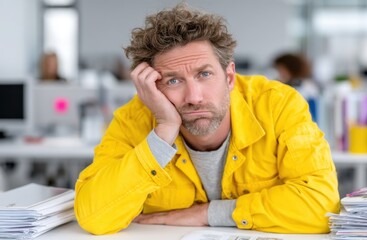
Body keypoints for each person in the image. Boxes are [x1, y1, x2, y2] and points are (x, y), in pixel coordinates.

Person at [74, 3, 339, 235]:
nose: (194, 97)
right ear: (153, 86)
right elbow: (94, 216)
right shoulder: (134, 119)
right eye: (173, 80)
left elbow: (323, 206)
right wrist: (163, 131)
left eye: (204, 74)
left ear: (230, 77)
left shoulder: (277, 104)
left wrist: (208, 214)